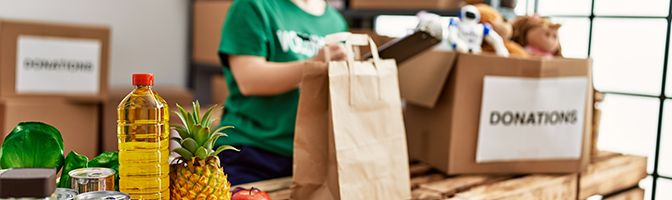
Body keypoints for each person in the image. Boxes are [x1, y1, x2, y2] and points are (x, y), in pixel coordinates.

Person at [215, 0, 348, 185]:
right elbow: (249, 79)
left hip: (311, 158)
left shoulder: (335, 21)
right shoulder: (253, 5)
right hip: (251, 153)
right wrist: (313, 65)